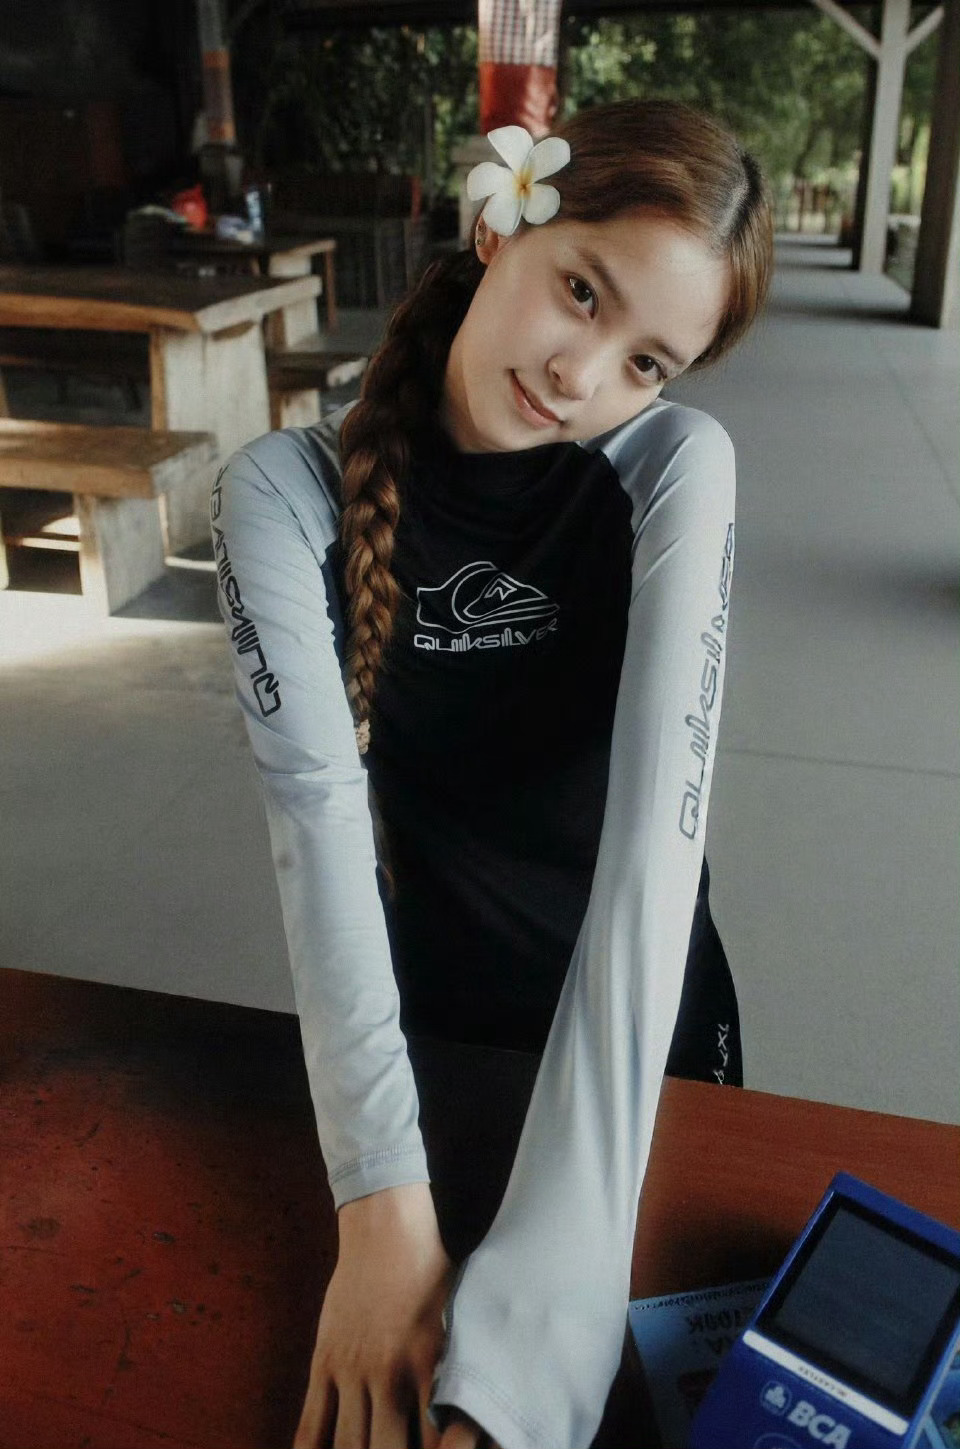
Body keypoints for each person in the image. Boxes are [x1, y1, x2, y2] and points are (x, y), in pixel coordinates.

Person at [210, 98, 773, 1449]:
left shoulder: (672, 471)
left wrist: (537, 1351)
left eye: (647, 360)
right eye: (582, 290)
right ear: (500, 224)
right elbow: (319, 841)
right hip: (428, 1039)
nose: (583, 374)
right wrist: (380, 1211)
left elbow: (651, 869)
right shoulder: (282, 497)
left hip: (648, 1037)